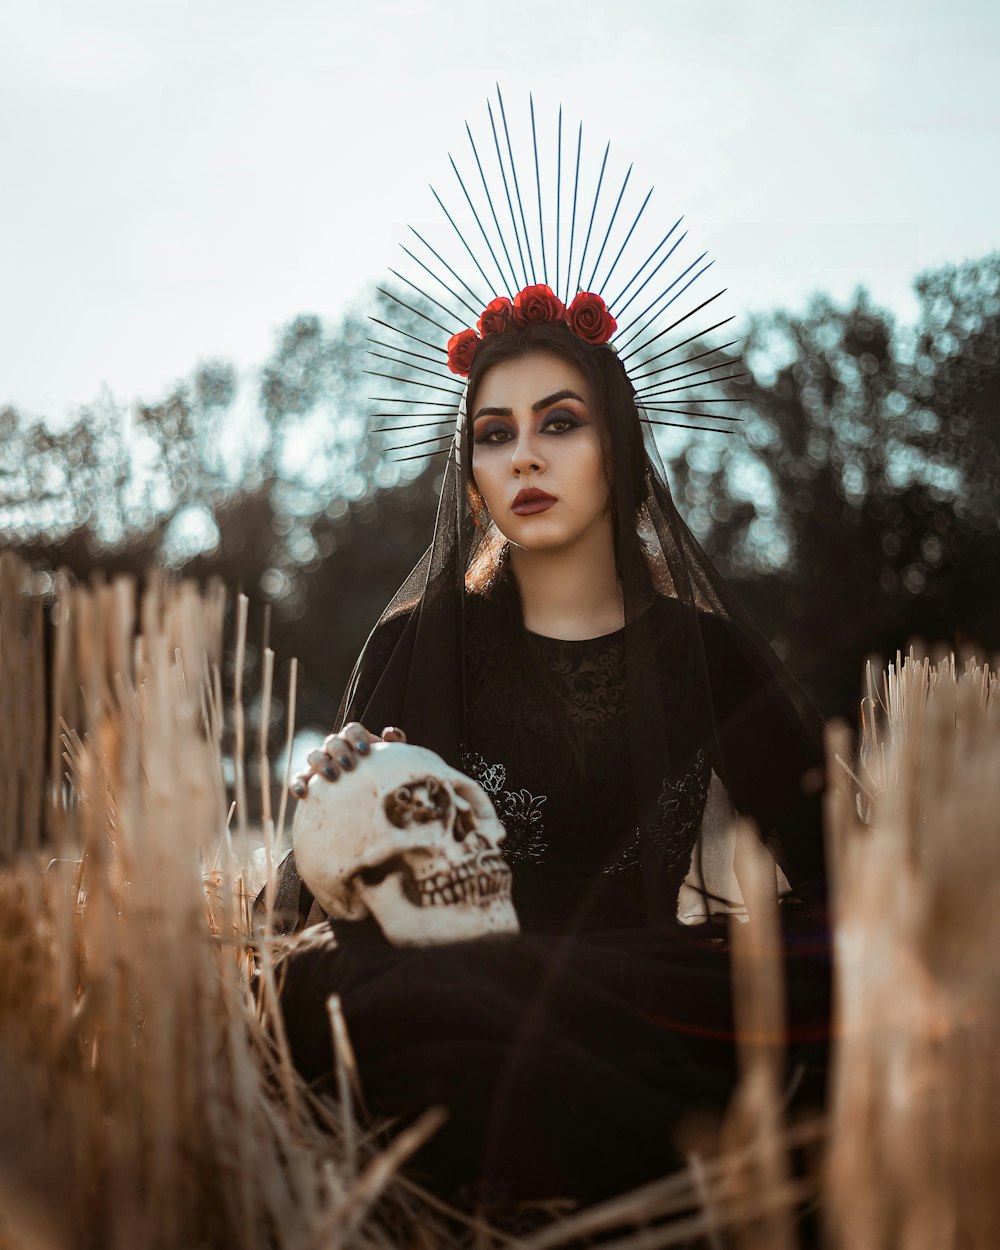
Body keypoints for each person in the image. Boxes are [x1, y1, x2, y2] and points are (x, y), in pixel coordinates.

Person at [266, 297, 831, 1210]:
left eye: (559, 422)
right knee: (326, 989)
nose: (524, 455)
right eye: (495, 434)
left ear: (621, 448)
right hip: (451, 995)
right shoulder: (422, 645)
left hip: (640, 991)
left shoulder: (707, 657)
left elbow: (841, 875)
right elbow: (339, 891)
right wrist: (350, 792)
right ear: (472, 470)